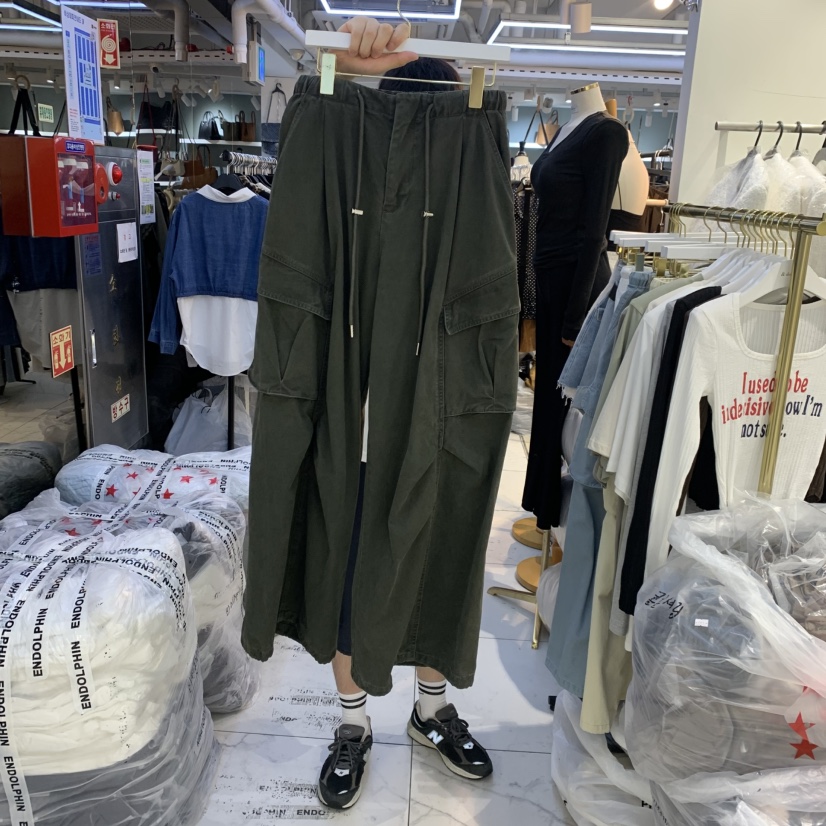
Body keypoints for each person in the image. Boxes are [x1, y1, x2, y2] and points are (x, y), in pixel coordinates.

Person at [309, 17, 496, 811]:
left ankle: (430, 711)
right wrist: (365, 64)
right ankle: (353, 722)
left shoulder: (472, 189)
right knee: (353, 569)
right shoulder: (354, 183)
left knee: (439, 557)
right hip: (359, 422)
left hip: (443, 412)